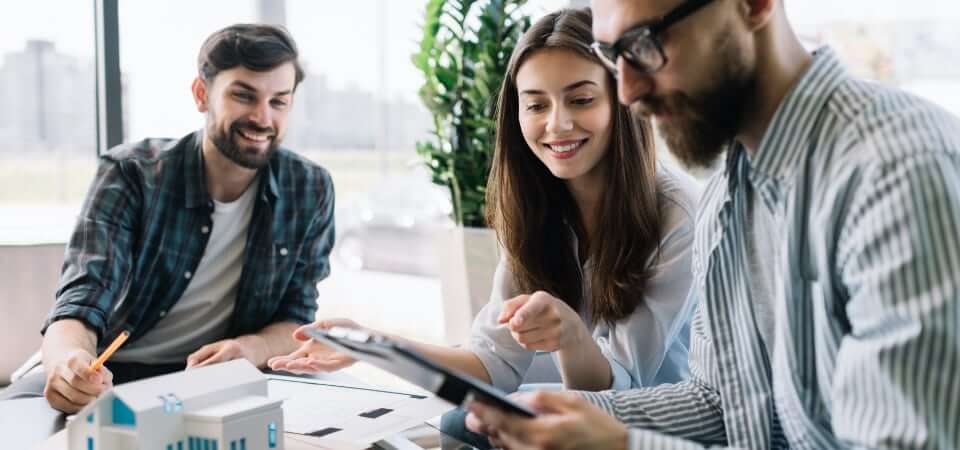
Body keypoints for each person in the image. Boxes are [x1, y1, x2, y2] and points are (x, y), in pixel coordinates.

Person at [464, 0, 960, 449]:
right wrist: (575, 416)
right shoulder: (728, 192)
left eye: (645, 44)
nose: (628, 91)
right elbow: (723, 403)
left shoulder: (894, 166)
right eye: (614, 54)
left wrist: (624, 446)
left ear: (753, 6)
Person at [269, 7, 699, 447]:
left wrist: (570, 336)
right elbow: (491, 363)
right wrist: (374, 345)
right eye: (536, 104)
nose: (557, 123)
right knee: (462, 420)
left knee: (482, 422)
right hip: (578, 410)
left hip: (644, 424)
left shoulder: (676, 211)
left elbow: (618, 389)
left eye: (581, 99)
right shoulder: (537, 206)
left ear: (620, 101)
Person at [0, 24, 335, 414]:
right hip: (110, 372)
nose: (263, 118)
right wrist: (66, 362)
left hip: (217, 379)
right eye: (244, 96)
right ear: (201, 95)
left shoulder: (309, 188)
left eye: (279, 101)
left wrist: (252, 349)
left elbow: (296, 320)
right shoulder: (132, 174)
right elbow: (81, 299)